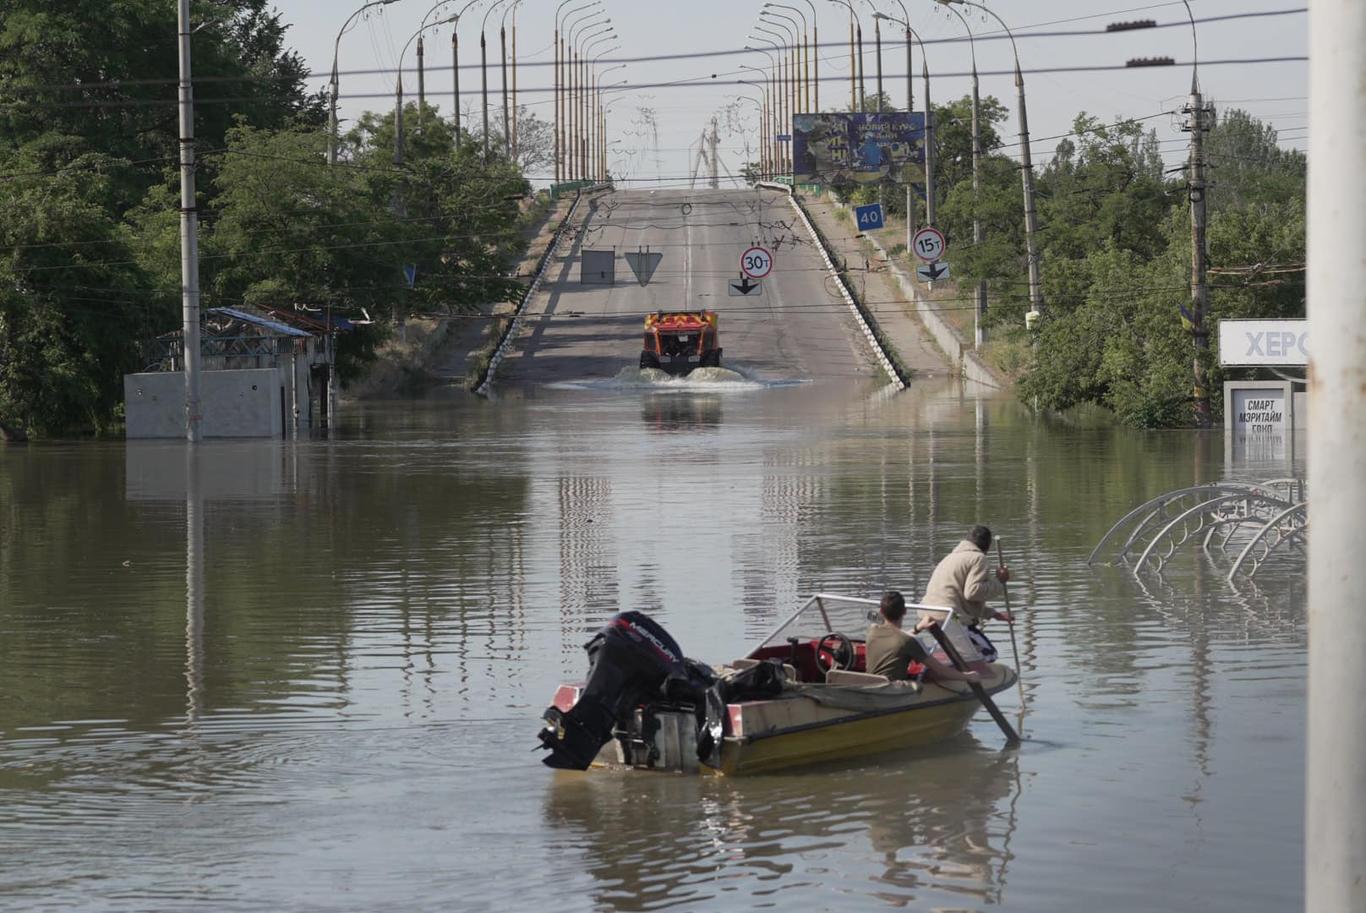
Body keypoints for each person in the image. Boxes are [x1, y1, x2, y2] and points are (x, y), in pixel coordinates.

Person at [916, 525, 1013, 663]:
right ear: (988, 545)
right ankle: (951, 669)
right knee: (989, 653)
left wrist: (993, 614)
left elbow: (957, 596)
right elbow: (973, 592)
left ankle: (945, 665)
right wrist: (999, 581)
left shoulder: (950, 557)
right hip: (948, 617)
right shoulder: (978, 558)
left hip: (927, 614)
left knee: (962, 652)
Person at [867, 591, 978, 684]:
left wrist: (918, 628)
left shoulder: (872, 631)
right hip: (893, 691)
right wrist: (968, 676)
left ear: (881, 611)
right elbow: (940, 670)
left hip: (872, 684)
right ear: (905, 611)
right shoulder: (909, 641)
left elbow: (897, 638)